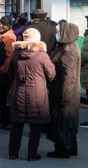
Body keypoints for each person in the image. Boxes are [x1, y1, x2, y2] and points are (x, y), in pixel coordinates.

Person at [7, 27, 55, 160]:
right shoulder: (42, 55)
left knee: (17, 124)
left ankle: (13, 152)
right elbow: (51, 74)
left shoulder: (16, 54)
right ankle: (31, 154)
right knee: (35, 125)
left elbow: (11, 73)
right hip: (37, 93)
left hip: (19, 91)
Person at [48, 20, 82, 158]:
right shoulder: (68, 47)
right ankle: (70, 146)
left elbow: (68, 76)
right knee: (68, 121)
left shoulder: (68, 51)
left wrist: (65, 96)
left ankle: (63, 149)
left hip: (65, 91)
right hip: (66, 90)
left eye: (58, 32)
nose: (56, 34)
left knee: (64, 120)